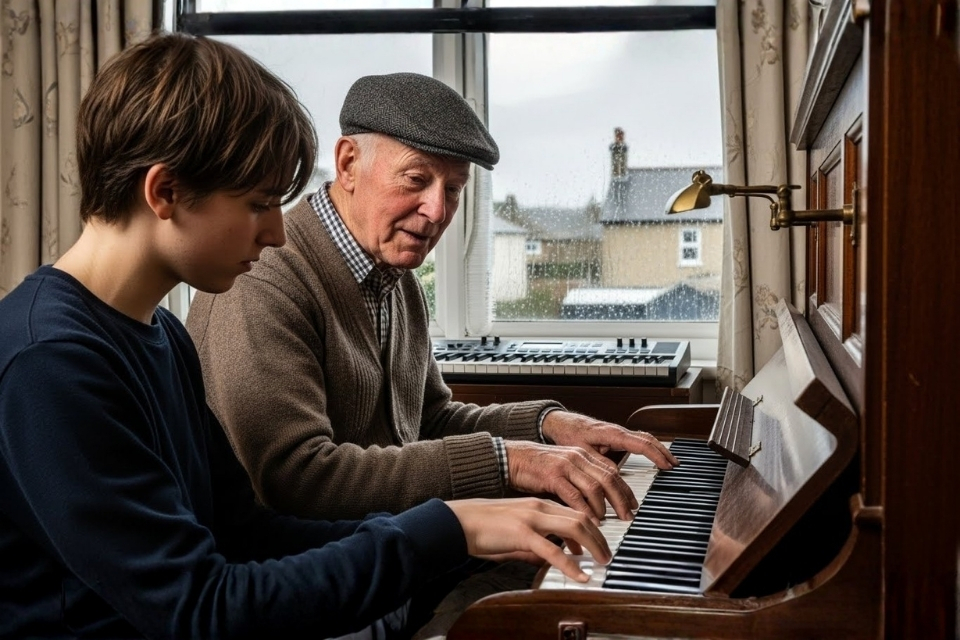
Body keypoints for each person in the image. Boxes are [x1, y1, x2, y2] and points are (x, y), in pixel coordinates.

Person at [0, 33, 612, 640]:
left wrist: (460, 529)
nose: (277, 233)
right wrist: (447, 529)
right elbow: (201, 607)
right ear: (165, 193)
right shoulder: (52, 364)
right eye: (260, 203)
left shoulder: (158, 332)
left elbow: (247, 534)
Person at [186, 71, 679, 527]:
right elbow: (298, 480)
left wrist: (547, 424)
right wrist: (511, 462)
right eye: (416, 179)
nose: (437, 210)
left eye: (454, 189)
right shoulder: (264, 278)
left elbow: (428, 422)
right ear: (348, 163)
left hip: (385, 546)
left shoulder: (397, 281)